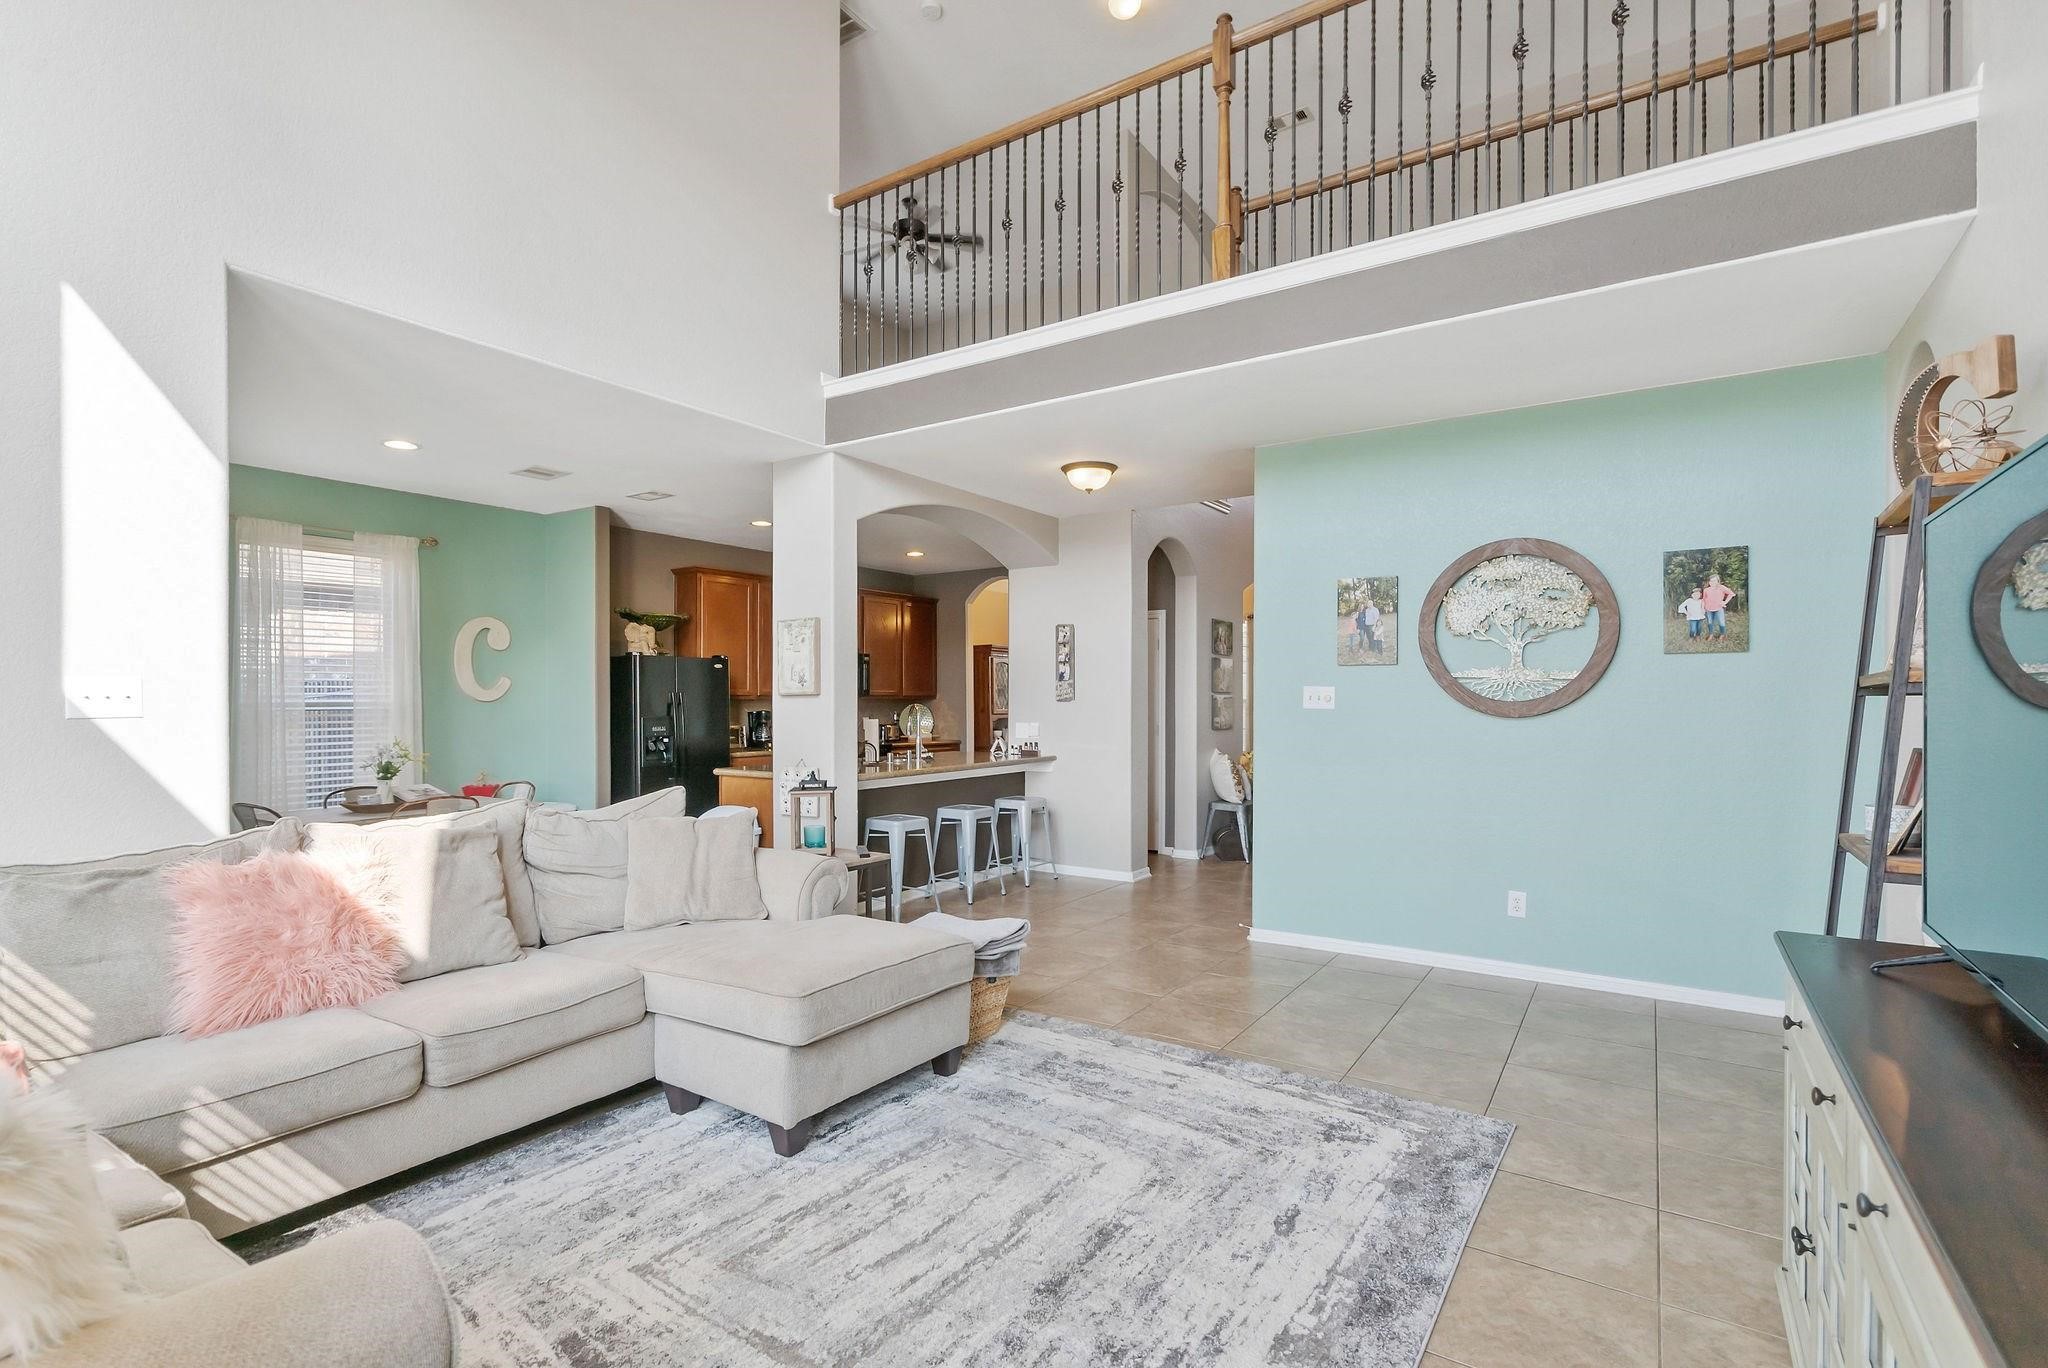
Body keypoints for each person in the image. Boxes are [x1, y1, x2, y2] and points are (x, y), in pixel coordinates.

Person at [1700, 572, 1739, 639]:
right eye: (1711, 581)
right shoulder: (1706, 590)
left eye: (1714, 581)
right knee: (1710, 622)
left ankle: (1722, 634)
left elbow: (1731, 594)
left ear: (1718, 581)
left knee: (1721, 622)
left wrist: (1725, 602)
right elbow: (1704, 600)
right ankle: (1711, 634)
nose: (1712, 582)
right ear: (1709, 582)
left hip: (1719, 608)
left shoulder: (1722, 587)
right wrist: (1703, 608)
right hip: (1708, 608)